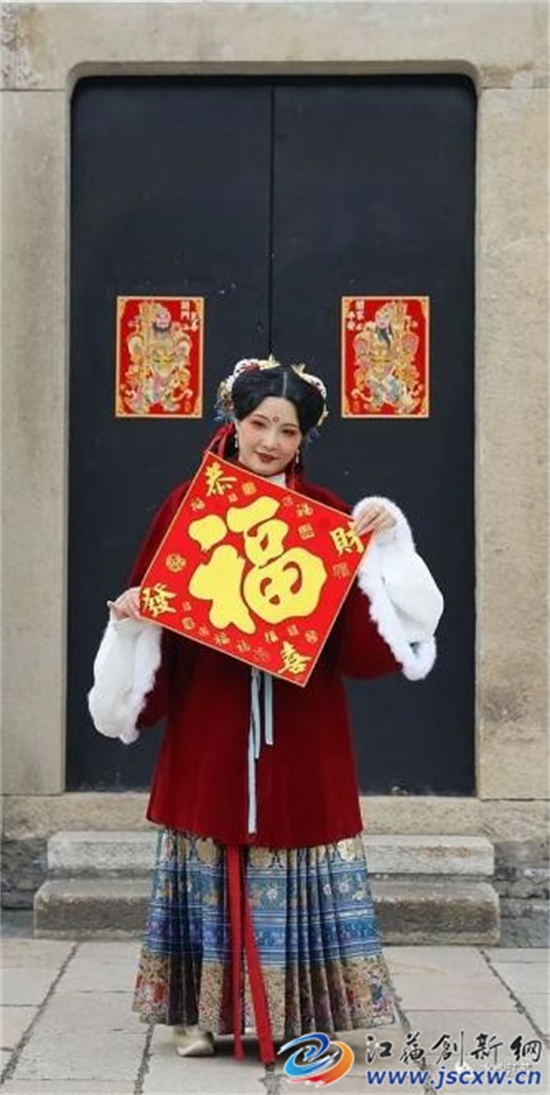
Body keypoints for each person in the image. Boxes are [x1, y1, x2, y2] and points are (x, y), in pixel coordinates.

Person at [88, 355, 444, 1066]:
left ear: (303, 438)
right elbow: (156, 601)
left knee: (299, 852)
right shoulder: (190, 505)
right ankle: (195, 1014)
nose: (270, 442)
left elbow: (365, 646)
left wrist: (380, 545)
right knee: (207, 850)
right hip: (212, 711)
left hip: (302, 721)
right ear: (234, 421)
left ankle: (308, 1011)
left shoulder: (328, 514)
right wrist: (135, 618)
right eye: (259, 424)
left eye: (287, 430)